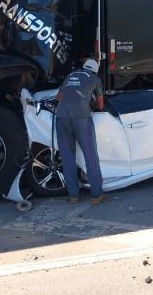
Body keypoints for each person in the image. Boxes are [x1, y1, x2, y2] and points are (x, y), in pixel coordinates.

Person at [55, 59, 106, 204]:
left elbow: (58, 98)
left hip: (62, 116)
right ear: (95, 71)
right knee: (90, 156)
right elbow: (100, 105)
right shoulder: (95, 79)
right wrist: (90, 103)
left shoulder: (71, 75)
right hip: (82, 117)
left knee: (67, 157)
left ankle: (73, 196)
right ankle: (97, 196)